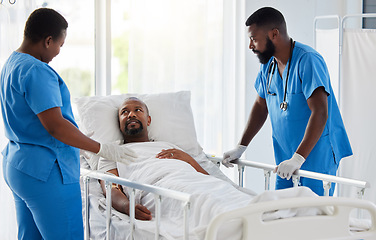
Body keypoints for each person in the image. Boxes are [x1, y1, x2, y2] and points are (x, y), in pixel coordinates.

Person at [0, 8, 136, 240]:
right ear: (48, 40)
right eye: (59, 45)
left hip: (18, 165)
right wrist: (100, 148)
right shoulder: (37, 71)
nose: (58, 52)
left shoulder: (12, 63)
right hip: (45, 173)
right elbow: (56, 126)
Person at [222, 7, 352, 196]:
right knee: (283, 213)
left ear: (274, 34)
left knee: (311, 216)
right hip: (286, 156)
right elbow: (261, 106)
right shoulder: (269, 66)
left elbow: (321, 112)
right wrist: (241, 147)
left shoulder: (308, 60)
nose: (251, 46)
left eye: (254, 39)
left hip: (315, 154)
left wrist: (298, 158)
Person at [97, 97, 209, 220]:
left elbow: (206, 178)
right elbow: (110, 186)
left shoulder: (169, 146)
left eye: (138, 110)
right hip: (160, 189)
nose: (131, 115)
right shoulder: (111, 151)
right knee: (206, 205)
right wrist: (126, 206)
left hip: (191, 180)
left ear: (148, 120)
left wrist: (189, 159)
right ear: (119, 123)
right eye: (124, 112)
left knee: (218, 196)